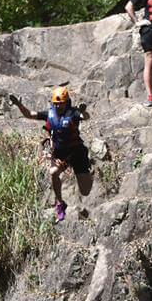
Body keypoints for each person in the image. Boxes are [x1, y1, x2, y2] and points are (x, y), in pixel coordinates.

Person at [11, 87, 93, 222]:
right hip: (60, 153)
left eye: (61, 103)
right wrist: (19, 105)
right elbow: (29, 114)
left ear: (67, 102)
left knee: (85, 191)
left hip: (77, 152)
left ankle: (89, 173)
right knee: (53, 172)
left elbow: (85, 117)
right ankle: (60, 203)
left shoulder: (73, 113)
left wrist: (83, 111)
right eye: (56, 103)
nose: (58, 106)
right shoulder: (49, 114)